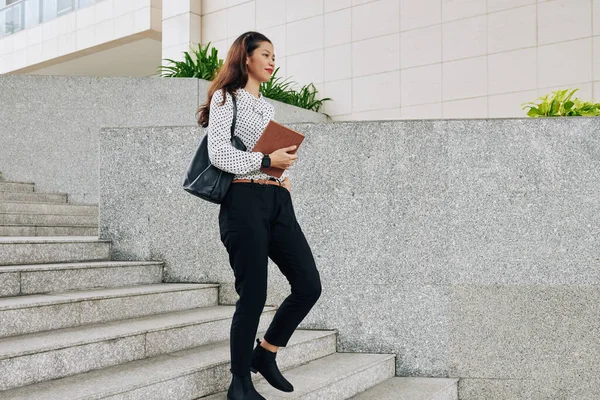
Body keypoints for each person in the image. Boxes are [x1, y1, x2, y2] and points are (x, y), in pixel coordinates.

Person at [196, 31, 322, 400]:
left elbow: (262, 156)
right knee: (253, 294)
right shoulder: (225, 98)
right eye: (264, 54)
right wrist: (267, 160)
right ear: (246, 57)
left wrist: (280, 172)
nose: (271, 61)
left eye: (274, 56)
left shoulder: (266, 106)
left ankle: (265, 354)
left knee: (308, 285)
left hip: (276, 200)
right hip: (242, 201)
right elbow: (219, 153)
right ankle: (240, 383)